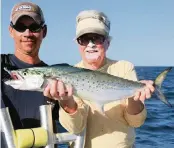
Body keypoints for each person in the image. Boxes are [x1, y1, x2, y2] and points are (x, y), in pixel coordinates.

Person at [43, 10, 155, 148]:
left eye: (97, 38)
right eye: (84, 39)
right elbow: (75, 128)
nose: (90, 44)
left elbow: (136, 122)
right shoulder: (68, 75)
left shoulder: (124, 67)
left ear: (108, 42)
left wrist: (134, 96)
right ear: (78, 44)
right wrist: (66, 100)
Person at [1, 2, 68, 148]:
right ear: (10, 31)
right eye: (20, 27)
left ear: (44, 31)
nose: (27, 33)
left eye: (34, 27)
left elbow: (70, 122)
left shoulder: (57, 79)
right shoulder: (2, 64)